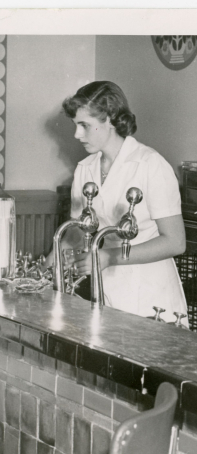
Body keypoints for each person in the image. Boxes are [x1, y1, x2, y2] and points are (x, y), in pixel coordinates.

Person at [58, 81, 187, 322]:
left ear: (110, 118)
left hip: (152, 300)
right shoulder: (85, 169)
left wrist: (109, 257)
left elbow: (176, 242)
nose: (77, 135)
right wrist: (44, 269)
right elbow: (75, 233)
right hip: (109, 294)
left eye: (84, 125)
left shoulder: (150, 164)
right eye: (76, 125)